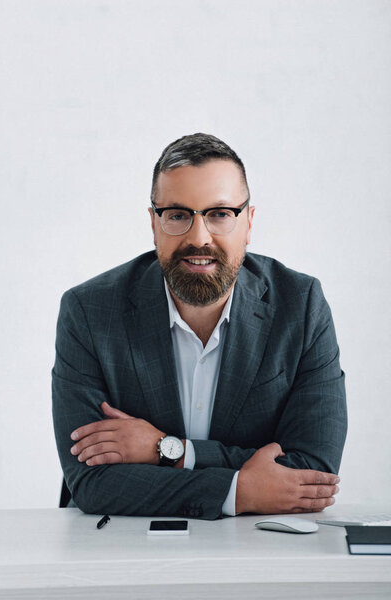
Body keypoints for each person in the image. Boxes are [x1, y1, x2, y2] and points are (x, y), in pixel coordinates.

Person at [52, 133, 347, 520]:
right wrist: (238, 491)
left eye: (219, 214)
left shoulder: (302, 305)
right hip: (122, 551)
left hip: (257, 550)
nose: (199, 237)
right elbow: (91, 483)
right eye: (177, 215)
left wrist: (168, 450)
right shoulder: (89, 311)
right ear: (154, 223)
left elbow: (312, 473)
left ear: (249, 222)